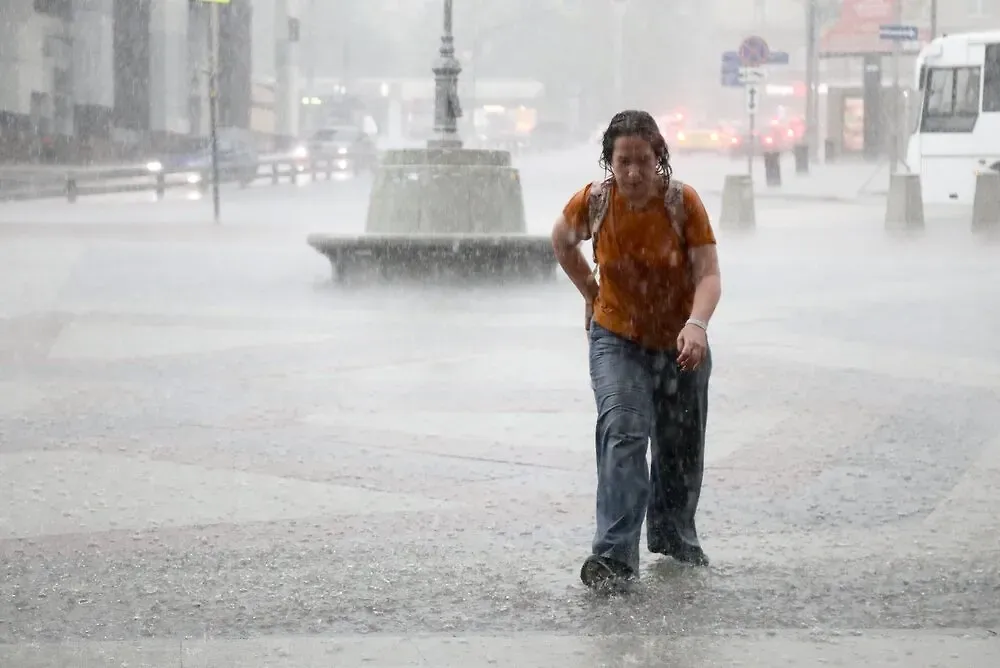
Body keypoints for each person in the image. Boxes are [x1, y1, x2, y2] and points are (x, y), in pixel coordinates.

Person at [551, 110, 722, 590]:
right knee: (624, 430)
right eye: (622, 161)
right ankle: (613, 558)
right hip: (617, 339)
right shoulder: (595, 201)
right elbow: (561, 242)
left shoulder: (682, 202)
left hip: (681, 342)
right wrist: (591, 292)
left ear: (658, 159)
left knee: (680, 444)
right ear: (609, 162)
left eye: (642, 161)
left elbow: (708, 273)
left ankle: (673, 535)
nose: (632, 173)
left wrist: (696, 325)